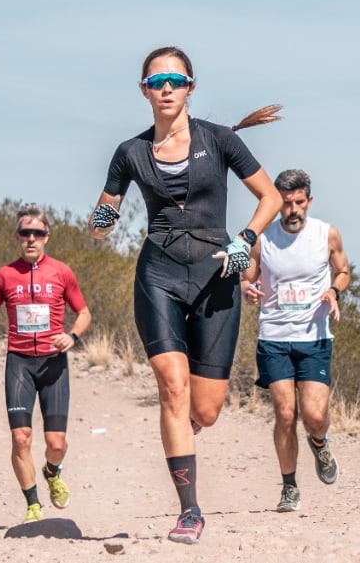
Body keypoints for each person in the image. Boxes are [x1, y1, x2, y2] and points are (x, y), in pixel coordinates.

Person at [88, 46, 283, 544]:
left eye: (176, 80)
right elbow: (104, 214)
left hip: (218, 275)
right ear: (144, 92)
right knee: (172, 387)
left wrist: (245, 241)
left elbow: (271, 198)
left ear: (191, 87)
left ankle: (185, 432)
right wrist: (101, 221)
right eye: (157, 82)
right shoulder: (129, 153)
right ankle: (190, 510)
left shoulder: (219, 141)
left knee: (206, 410)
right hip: (159, 274)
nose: (167, 88)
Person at [0, 204, 92, 524]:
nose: (31, 239)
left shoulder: (62, 272)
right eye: (25, 233)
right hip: (19, 363)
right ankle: (33, 504)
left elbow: (84, 313)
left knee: (55, 443)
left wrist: (72, 337)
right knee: (20, 438)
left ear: (47, 236)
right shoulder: (4, 275)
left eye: (37, 233)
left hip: (53, 364)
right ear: (17, 237)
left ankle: (52, 471)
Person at [241, 169, 351, 513]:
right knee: (285, 413)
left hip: (314, 337)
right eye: (286, 203)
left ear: (309, 201)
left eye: (298, 202)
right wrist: (247, 289)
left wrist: (334, 291)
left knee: (315, 415)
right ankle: (289, 486)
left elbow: (343, 270)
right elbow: (247, 276)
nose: (292, 209)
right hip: (274, 337)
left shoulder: (326, 234)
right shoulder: (264, 238)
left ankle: (319, 443)